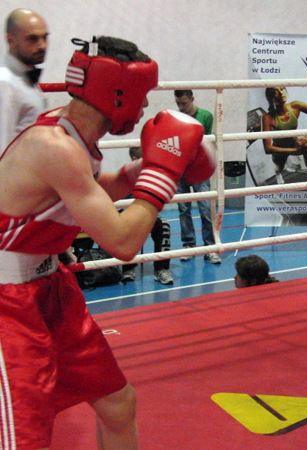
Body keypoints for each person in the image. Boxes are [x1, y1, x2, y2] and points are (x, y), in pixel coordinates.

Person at [0, 36, 212, 448]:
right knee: (25, 438)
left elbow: (90, 193)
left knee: (118, 404)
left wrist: (142, 169)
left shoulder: (72, 132)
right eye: (142, 94)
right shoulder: (54, 147)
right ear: (119, 93)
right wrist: (163, 174)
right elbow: (123, 243)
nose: (145, 106)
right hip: (7, 301)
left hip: (49, 287)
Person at [173, 89, 221, 264]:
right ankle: (189, 246)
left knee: (205, 209)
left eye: (184, 103)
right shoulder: (175, 118)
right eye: (178, 103)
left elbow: (206, 143)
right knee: (183, 210)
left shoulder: (205, 116)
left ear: (192, 99)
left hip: (199, 170)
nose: (181, 107)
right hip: (181, 169)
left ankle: (209, 247)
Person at [121, 147, 174, 285]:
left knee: (163, 225)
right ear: (134, 159)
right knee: (128, 226)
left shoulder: (151, 176)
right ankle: (128, 268)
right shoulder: (125, 176)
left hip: (146, 214)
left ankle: (161, 269)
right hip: (127, 215)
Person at [0, 8, 48, 155]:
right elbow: (2, 148)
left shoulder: (24, 79)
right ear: (10, 40)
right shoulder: (5, 84)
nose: (42, 45)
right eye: (33, 39)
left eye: (45, 37)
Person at [261, 86, 307, 189]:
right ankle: (278, 173)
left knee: (306, 146)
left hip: (293, 142)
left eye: (282, 89)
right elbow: (268, 148)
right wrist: (294, 151)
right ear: (271, 97)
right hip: (279, 148)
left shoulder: (295, 106)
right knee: (279, 168)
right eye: (276, 92)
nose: (281, 93)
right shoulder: (267, 117)